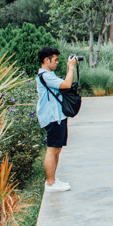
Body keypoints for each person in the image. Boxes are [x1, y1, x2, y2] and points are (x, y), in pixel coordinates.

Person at [36, 46, 78, 193]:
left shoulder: (49, 75)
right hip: (53, 117)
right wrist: (71, 68)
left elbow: (64, 84)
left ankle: (53, 179)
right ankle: (50, 183)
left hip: (57, 116)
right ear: (46, 60)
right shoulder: (46, 75)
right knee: (52, 149)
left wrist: (69, 66)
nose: (56, 63)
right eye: (55, 60)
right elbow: (66, 84)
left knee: (57, 149)